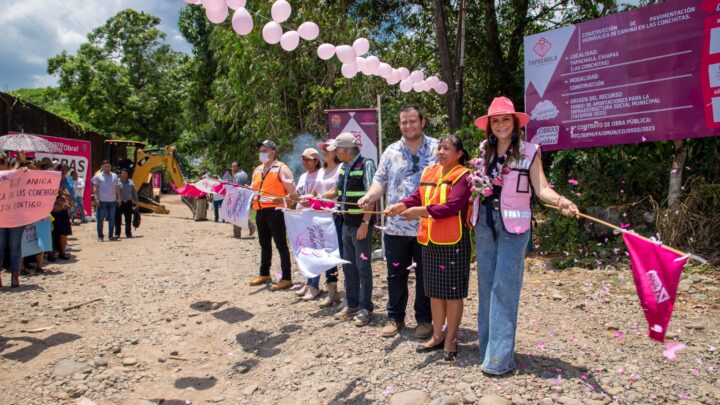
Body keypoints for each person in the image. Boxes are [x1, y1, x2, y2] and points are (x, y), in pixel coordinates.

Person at [472, 96, 579, 375]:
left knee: (504, 288)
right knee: (485, 287)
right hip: (484, 222)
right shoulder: (484, 151)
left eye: (506, 119)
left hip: (514, 226)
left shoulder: (530, 151)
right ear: (489, 126)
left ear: (515, 123)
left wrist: (561, 202)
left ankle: (499, 360)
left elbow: (541, 188)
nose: (501, 124)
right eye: (495, 120)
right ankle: (488, 352)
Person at [385, 135, 472, 361]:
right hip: (430, 241)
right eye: (440, 148)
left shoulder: (464, 175)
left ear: (459, 153)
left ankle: (451, 340)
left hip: (454, 242)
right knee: (434, 292)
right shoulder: (429, 171)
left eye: (447, 148)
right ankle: (437, 335)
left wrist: (419, 211)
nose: (441, 152)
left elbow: (452, 206)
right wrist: (401, 205)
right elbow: (417, 196)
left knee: (452, 294)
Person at [358, 105, 437, 339]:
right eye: (404, 122)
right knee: (395, 274)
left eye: (413, 121)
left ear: (422, 122)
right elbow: (379, 181)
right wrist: (369, 196)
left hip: (427, 225)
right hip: (395, 227)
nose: (408, 126)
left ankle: (424, 320)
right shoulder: (391, 151)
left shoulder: (437, 148)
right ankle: (395, 318)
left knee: (426, 274)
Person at [321, 132, 376, 327]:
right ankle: (352, 304)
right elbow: (335, 191)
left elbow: (372, 196)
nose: (334, 154)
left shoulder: (366, 165)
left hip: (360, 225)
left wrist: (365, 223)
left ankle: (366, 308)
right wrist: (317, 198)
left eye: (336, 150)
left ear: (345, 151)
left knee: (363, 267)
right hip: (346, 223)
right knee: (348, 265)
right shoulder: (344, 167)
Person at [248, 140, 298, 291]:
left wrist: (282, 200)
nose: (262, 153)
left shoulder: (281, 168)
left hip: (276, 212)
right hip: (260, 211)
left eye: (265, 150)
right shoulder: (257, 170)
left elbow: (293, 195)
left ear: (273, 152)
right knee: (264, 244)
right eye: (261, 150)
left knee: (281, 245)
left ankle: (287, 278)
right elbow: (253, 189)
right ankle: (264, 274)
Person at [309, 140, 343, 307]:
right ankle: (328, 287)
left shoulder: (341, 169)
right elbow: (315, 190)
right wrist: (308, 199)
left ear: (336, 152)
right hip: (319, 216)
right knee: (321, 251)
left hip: (334, 216)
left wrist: (321, 198)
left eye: (327, 149)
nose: (324, 152)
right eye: (322, 149)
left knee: (331, 253)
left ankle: (333, 290)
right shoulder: (321, 170)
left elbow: (336, 190)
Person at [294, 147, 322, 300]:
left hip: (313, 217)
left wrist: (309, 201)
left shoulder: (320, 175)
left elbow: (317, 195)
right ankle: (308, 281)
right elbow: (298, 194)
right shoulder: (303, 176)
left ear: (316, 161)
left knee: (314, 251)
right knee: (304, 250)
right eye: (303, 159)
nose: (304, 162)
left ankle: (314, 284)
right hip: (301, 217)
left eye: (308, 159)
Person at [0, 152, 25, 288]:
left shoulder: (14, 175)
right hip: (14, 217)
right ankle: (15, 278)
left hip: (11, 217)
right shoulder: (13, 175)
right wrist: (20, 163)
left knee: (5, 247)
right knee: (14, 247)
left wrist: (20, 165)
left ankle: (14, 276)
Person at [93, 160, 120, 241]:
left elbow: (117, 187)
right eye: (105, 166)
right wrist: (96, 198)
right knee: (100, 220)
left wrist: (119, 198)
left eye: (108, 166)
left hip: (112, 201)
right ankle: (100, 236)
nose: (107, 168)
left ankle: (111, 236)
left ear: (110, 166)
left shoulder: (114, 176)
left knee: (112, 219)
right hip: (102, 201)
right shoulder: (98, 176)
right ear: (102, 167)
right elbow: (95, 187)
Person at [52, 163, 74, 260]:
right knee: (53, 232)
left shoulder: (68, 179)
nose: (64, 171)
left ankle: (62, 251)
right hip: (53, 209)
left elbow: (69, 193)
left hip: (65, 207)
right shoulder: (52, 180)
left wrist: (69, 200)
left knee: (64, 232)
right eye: (62, 169)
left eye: (66, 169)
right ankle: (52, 253)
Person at [231, 161, 256, 237]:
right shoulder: (244, 173)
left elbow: (236, 187)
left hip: (239, 196)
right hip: (244, 196)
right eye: (232, 166)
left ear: (238, 167)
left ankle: (248, 227)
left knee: (236, 214)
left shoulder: (238, 175)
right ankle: (238, 232)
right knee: (239, 214)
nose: (232, 168)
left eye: (234, 166)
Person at [115, 168, 138, 238]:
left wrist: (136, 201)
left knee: (128, 219)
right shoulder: (116, 182)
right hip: (119, 203)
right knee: (118, 219)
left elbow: (134, 192)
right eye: (123, 173)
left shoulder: (131, 182)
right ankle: (117, 234)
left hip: (128, 202)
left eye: (126, 173)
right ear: (120, 174)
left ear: (128, 175)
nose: (124, 175)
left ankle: (128, 233)